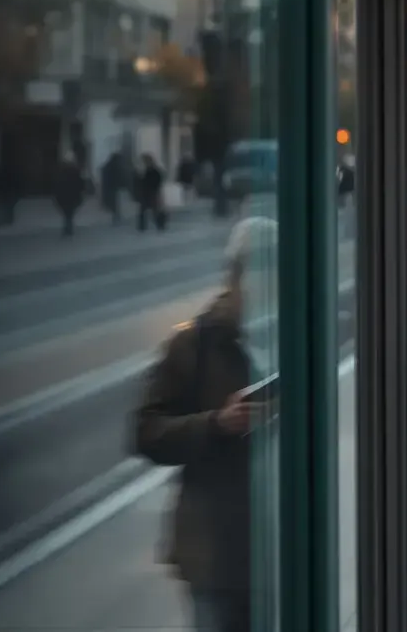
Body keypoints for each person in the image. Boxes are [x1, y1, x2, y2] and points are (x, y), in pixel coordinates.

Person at [134, 216, 280, 632]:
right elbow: (147, 431)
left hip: (269, 545)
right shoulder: (192, 346)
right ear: (235, 277)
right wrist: (215, 423)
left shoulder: (283, 337)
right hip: (214, 555)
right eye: (265, 275)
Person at [136, 153, 167, 232]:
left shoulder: (154, 171)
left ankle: (160, 224)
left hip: (153, 192)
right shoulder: (145, 171)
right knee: (143, 210)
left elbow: (157, 180)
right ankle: (142, 226)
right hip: (146, 193)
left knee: (155, 210)